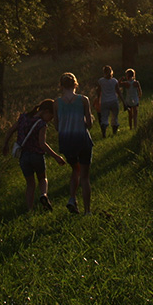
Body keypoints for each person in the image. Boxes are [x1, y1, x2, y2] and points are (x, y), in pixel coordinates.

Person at [2, 99, 66, 211]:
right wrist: (56, 157)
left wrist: (5, 144)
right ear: (46, 111)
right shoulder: (41, 124)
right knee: (42, 178)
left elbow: (10, 130)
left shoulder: (23, 118)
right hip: (37, 156)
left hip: (24, 157)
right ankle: (44, 195)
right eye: (51, 116)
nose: (50, 120)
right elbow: (42, 144)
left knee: (30, 184)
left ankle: (29, 209)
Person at [56, 72, 94, 214]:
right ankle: (87, 211)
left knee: (75, 170)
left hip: (66, 142)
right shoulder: (84, 100)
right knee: (84, 176)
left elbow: (57, 126)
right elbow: (89, 124)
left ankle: (72, 198)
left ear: (61, 86)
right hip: (82, 140)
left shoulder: (57, 103)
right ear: (75, 84)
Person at [94, 65, 121, 137]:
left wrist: (98, 101)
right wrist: (123, 102)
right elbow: (118, 91)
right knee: (115, 117)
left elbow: (98, 92)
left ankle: (104, 133)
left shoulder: (101, 81)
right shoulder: (114, 81)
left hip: (104, 101)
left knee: (104, 118)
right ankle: (114, 133)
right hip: (114, 101)